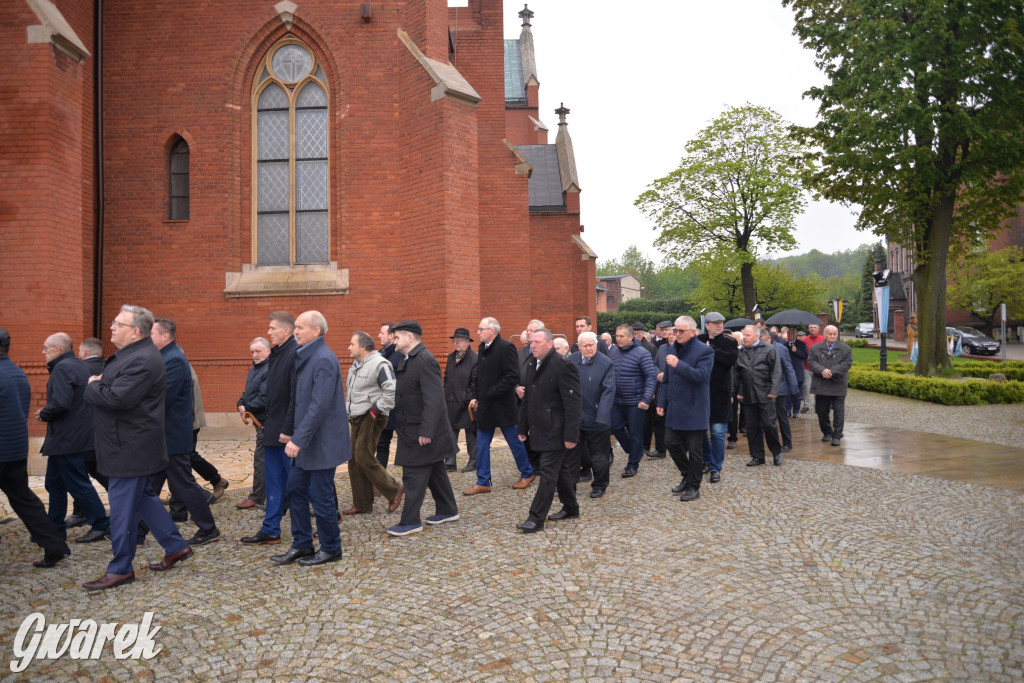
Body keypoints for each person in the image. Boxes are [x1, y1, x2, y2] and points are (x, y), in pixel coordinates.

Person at [82, 305, 193, 590]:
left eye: (118, 324)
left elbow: (117, 398)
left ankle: (120, 568)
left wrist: (93, 385)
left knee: (121, 508)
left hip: (129, 448)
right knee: (145, 498)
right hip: (128, 444)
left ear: (135, 332)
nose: (111, 327)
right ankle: (176, 546)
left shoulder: (142, 359)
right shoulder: (134, 354)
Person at [272, 311, 351, 566]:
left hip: (322, 443)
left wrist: (298, 439)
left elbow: (320, 406)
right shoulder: (306, 356)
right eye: (295, 327)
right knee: (295, 490)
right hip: (306, 441)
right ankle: (302, 544)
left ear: (316, 331)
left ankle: (331, 548)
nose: (295, 331)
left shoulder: (323, 359)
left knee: (321, 496)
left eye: (299, 327)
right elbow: (299, 400)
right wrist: (289, 430)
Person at [0, 328, 72, 568]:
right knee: (24, 500)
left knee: (23, 500)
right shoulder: (18, 373)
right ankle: (55, 546)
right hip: (15, 449)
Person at [147, 318, 220, 546]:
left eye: (152, 334)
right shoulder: (164, 357)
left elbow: (163, 397)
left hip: (173, 437)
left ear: (165, 336)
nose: (148, 339)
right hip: (164, 436)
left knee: (183, 485)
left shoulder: (174, 359)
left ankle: (208, 529)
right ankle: (136, 532)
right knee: (149, 487)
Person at [36, 333, 110, 543]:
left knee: (77, 483)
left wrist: (44, 413)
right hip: (71, 436)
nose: (43, 352)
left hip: (67, 438)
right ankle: (55, 529)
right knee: (54, 483)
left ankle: (100, 523)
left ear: (57, 349)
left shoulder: (62, 368)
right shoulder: (77, 365)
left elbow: (61, 403)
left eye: (45, 348)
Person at [387, 321, 460, 536]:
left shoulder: (425, 360)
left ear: (410, 337)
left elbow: (434, 399)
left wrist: (427, 431)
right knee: (435, 471)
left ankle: (410, 522)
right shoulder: (408, 358)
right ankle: (448, 509)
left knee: (413, 474)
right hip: (411, 428)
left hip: (422, 432)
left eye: (397, 337)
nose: (394, 340)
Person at [515, 328, 582, 532]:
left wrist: (571, 435)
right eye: (530, 342)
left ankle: (536, 518)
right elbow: (528, 400)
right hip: (540, 430)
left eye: (537, 342)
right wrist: (523, 426)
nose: (532, 345)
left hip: (557, 430)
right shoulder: (531, 364)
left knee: (548, 474)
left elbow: (573, 404)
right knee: (560, 471)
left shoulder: (563, 366)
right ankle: (571, 508)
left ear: (550, 344)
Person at [241, 311, 297, 546]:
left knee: (297, 483)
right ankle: (271, 529)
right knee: (274, 482)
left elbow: (295, 397)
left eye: (273, 328)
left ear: (286, 330)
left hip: (287, 433)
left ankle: (323, 522)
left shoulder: (295, 354)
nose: (269, 332)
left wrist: (289, 429)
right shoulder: (276, 355)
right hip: (271, 429)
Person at [464, 317, 535, 495]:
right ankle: (483, 481)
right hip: (486, 407)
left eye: (481, 329)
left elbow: (512, 375)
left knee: (514, 442)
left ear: (492, 331)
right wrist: (476, 396)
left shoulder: (506, 347)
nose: (478, 332)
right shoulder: (482, 348)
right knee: (481, 444)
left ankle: (527, 473)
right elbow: (479, 376)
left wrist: (491, 392)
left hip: (503, 406)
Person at [343, 330, 403, 516]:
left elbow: (391, 389)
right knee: (353, 459)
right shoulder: (355, 365)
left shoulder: (380, 364)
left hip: (372, 416)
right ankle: (362, 503)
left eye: (352, 344)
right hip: (356, 416)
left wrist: (376, 410)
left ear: (363, 346)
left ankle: (395, 489)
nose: (348, 347)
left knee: (364, 456)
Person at [657, 316, 714, 501]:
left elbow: (701, 376)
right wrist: (660, 402)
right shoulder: (672, 349)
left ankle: (693, 486)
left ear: (693, 332)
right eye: (676, 330)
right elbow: (666, 380)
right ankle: (687, 475)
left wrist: (678, 364)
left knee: (694, 450)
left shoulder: (705, 351)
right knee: (670, 442)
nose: (677, 334)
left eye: (681, 331)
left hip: (694, 408)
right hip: (674, 407)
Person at [66, 337, 109, 528]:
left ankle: (81, 513)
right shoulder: (110, 368)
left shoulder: (80, 369)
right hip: (105, 430)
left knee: (80, 474)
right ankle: (81, 511)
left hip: (84, 431)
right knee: (96, 470)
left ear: (83, 352)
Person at [567, 332, 615, 498]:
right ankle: (569, 485)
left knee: (599, 456)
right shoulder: (571, 360)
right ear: (578, 347)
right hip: (575, 419)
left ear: (596, 344)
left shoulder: (606, 363)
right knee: (572, 455)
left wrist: (601, 417)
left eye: (591, 345)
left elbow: (609, 391)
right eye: (584, 346)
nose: (588, 349)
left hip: (596, 419)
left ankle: (600, 485)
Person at [609, 324, 658, 478]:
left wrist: (646, 398)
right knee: (615, 426)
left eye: (621, 336)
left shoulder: (642, 353)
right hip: (617, 400)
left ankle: (632, 464)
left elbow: (651, 376)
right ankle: (634, 450)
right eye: (616, 336)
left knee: (636, 432)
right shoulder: (614, 352)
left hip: (635, 401)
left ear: (631, 337)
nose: (618, 339)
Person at [696, 312, 738, 483]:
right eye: (715, 323)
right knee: (700, 431)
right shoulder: (698, 340)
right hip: (700, 392)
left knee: (718, 433)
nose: (719, 325)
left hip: (720, 392)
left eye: (721, 322)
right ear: (707, 325)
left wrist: (712, 350)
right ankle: (706, 459)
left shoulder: (729, 341)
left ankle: (716, 467)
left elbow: (730, 359)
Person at [735, 325, 783, 467]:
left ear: (756, 336)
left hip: (766, 394)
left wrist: (774, 391)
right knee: (752, 427)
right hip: (748, 395)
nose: (744, 338)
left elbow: (776, 372)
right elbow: (736, 374)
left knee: (769, 425)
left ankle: (776, 452)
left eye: (748, 335)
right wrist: (735, 392)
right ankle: (757, 456)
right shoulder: (741, 352)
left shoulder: (769, 349)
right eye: (744, 335)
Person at [236, 337, 270, 509]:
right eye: (252, 352)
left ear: (268, 351)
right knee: (262, 460)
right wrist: (240, 404)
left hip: (266, 422)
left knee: (261, 460)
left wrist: (247, 406)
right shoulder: (254, 370)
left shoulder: (269, 369)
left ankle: (258, 496)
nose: (255, 355)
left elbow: (264, 398)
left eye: (258, 351)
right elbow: (247, 392)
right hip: (259, 422)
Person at [807, 324, 854, 446]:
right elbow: (811, 361)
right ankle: (827, 431)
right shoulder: (815, 348)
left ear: (837, 335)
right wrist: (822, 370)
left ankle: (837, 434)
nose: (832, 336)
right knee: (821, 410)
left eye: (834, 334)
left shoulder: (846, 348)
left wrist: (832, 371)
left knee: (838, 411)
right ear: (824, 334)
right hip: (821, 384)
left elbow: (847, 363)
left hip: (838, 383)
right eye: (830, 334)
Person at [443, 328, 478, 473]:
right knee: (450, 432)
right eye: (454, 341)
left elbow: (475, 381)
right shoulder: (452, 357)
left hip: (466, 403)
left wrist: (467, 398)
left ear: (466, 342)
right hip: (451, 400)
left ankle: (473, 461)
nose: (455, 344)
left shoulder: (474, 358)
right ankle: (450, 461)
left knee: (470, 433)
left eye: (458, 341)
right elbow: (446, 377)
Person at [763, 328, 799, 453]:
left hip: (780, 388)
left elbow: (789, 368)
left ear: (768, 338)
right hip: (763, 388)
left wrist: (794, 388)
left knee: (782, 416)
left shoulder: (781, 349)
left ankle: (787, 442)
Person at [376, 323, 399, 468]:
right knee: (382, 444)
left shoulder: (398, 356)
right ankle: (379, 482)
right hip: (383, 407)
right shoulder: (380, 354)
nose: (379, 335)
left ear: (391, 335)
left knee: (407, 446)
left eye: (382, 332)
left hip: (398, 408)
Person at [801, 323, 826, 413]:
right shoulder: (804, 340)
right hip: (807, 367)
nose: (812, 329)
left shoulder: (823, 340)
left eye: (814, 327)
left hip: (819, 368)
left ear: (818, 329)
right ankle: (806, 405)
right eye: (811, 327)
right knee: (806, 387)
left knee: (818, 388)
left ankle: (817, 405)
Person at [785, 328, 807, 418]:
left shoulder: (801, 344)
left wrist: (796, 351)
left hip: (798, 372)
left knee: (797, 394)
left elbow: (805, 355)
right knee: (787, 394)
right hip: (787, 373)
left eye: (792, 334)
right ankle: (787, 410)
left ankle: (796, 411)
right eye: (788, 334)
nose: (790, 335)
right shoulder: (784, 345)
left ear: (795, 335)